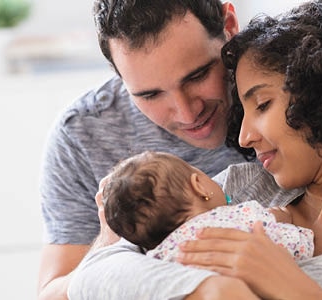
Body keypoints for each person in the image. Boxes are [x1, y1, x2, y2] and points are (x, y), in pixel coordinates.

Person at [69, 0, 322, 299]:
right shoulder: (239, 189)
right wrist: (211, 289)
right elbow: (89, 279)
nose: (244, 136)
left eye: (261, 105)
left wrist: (290, 288)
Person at [37, 1, 258, 299]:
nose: (187, 113)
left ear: (229, 26)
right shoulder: (82, 135)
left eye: (198, 75)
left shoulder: (289, 88)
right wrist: (110, 242)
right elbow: (51, 295)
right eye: (150, 94)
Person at [102, 150, 314, 261]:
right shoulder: (238, 218)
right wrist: (282, 219)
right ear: (199, 186)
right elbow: (299, 247)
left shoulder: (157, 258)